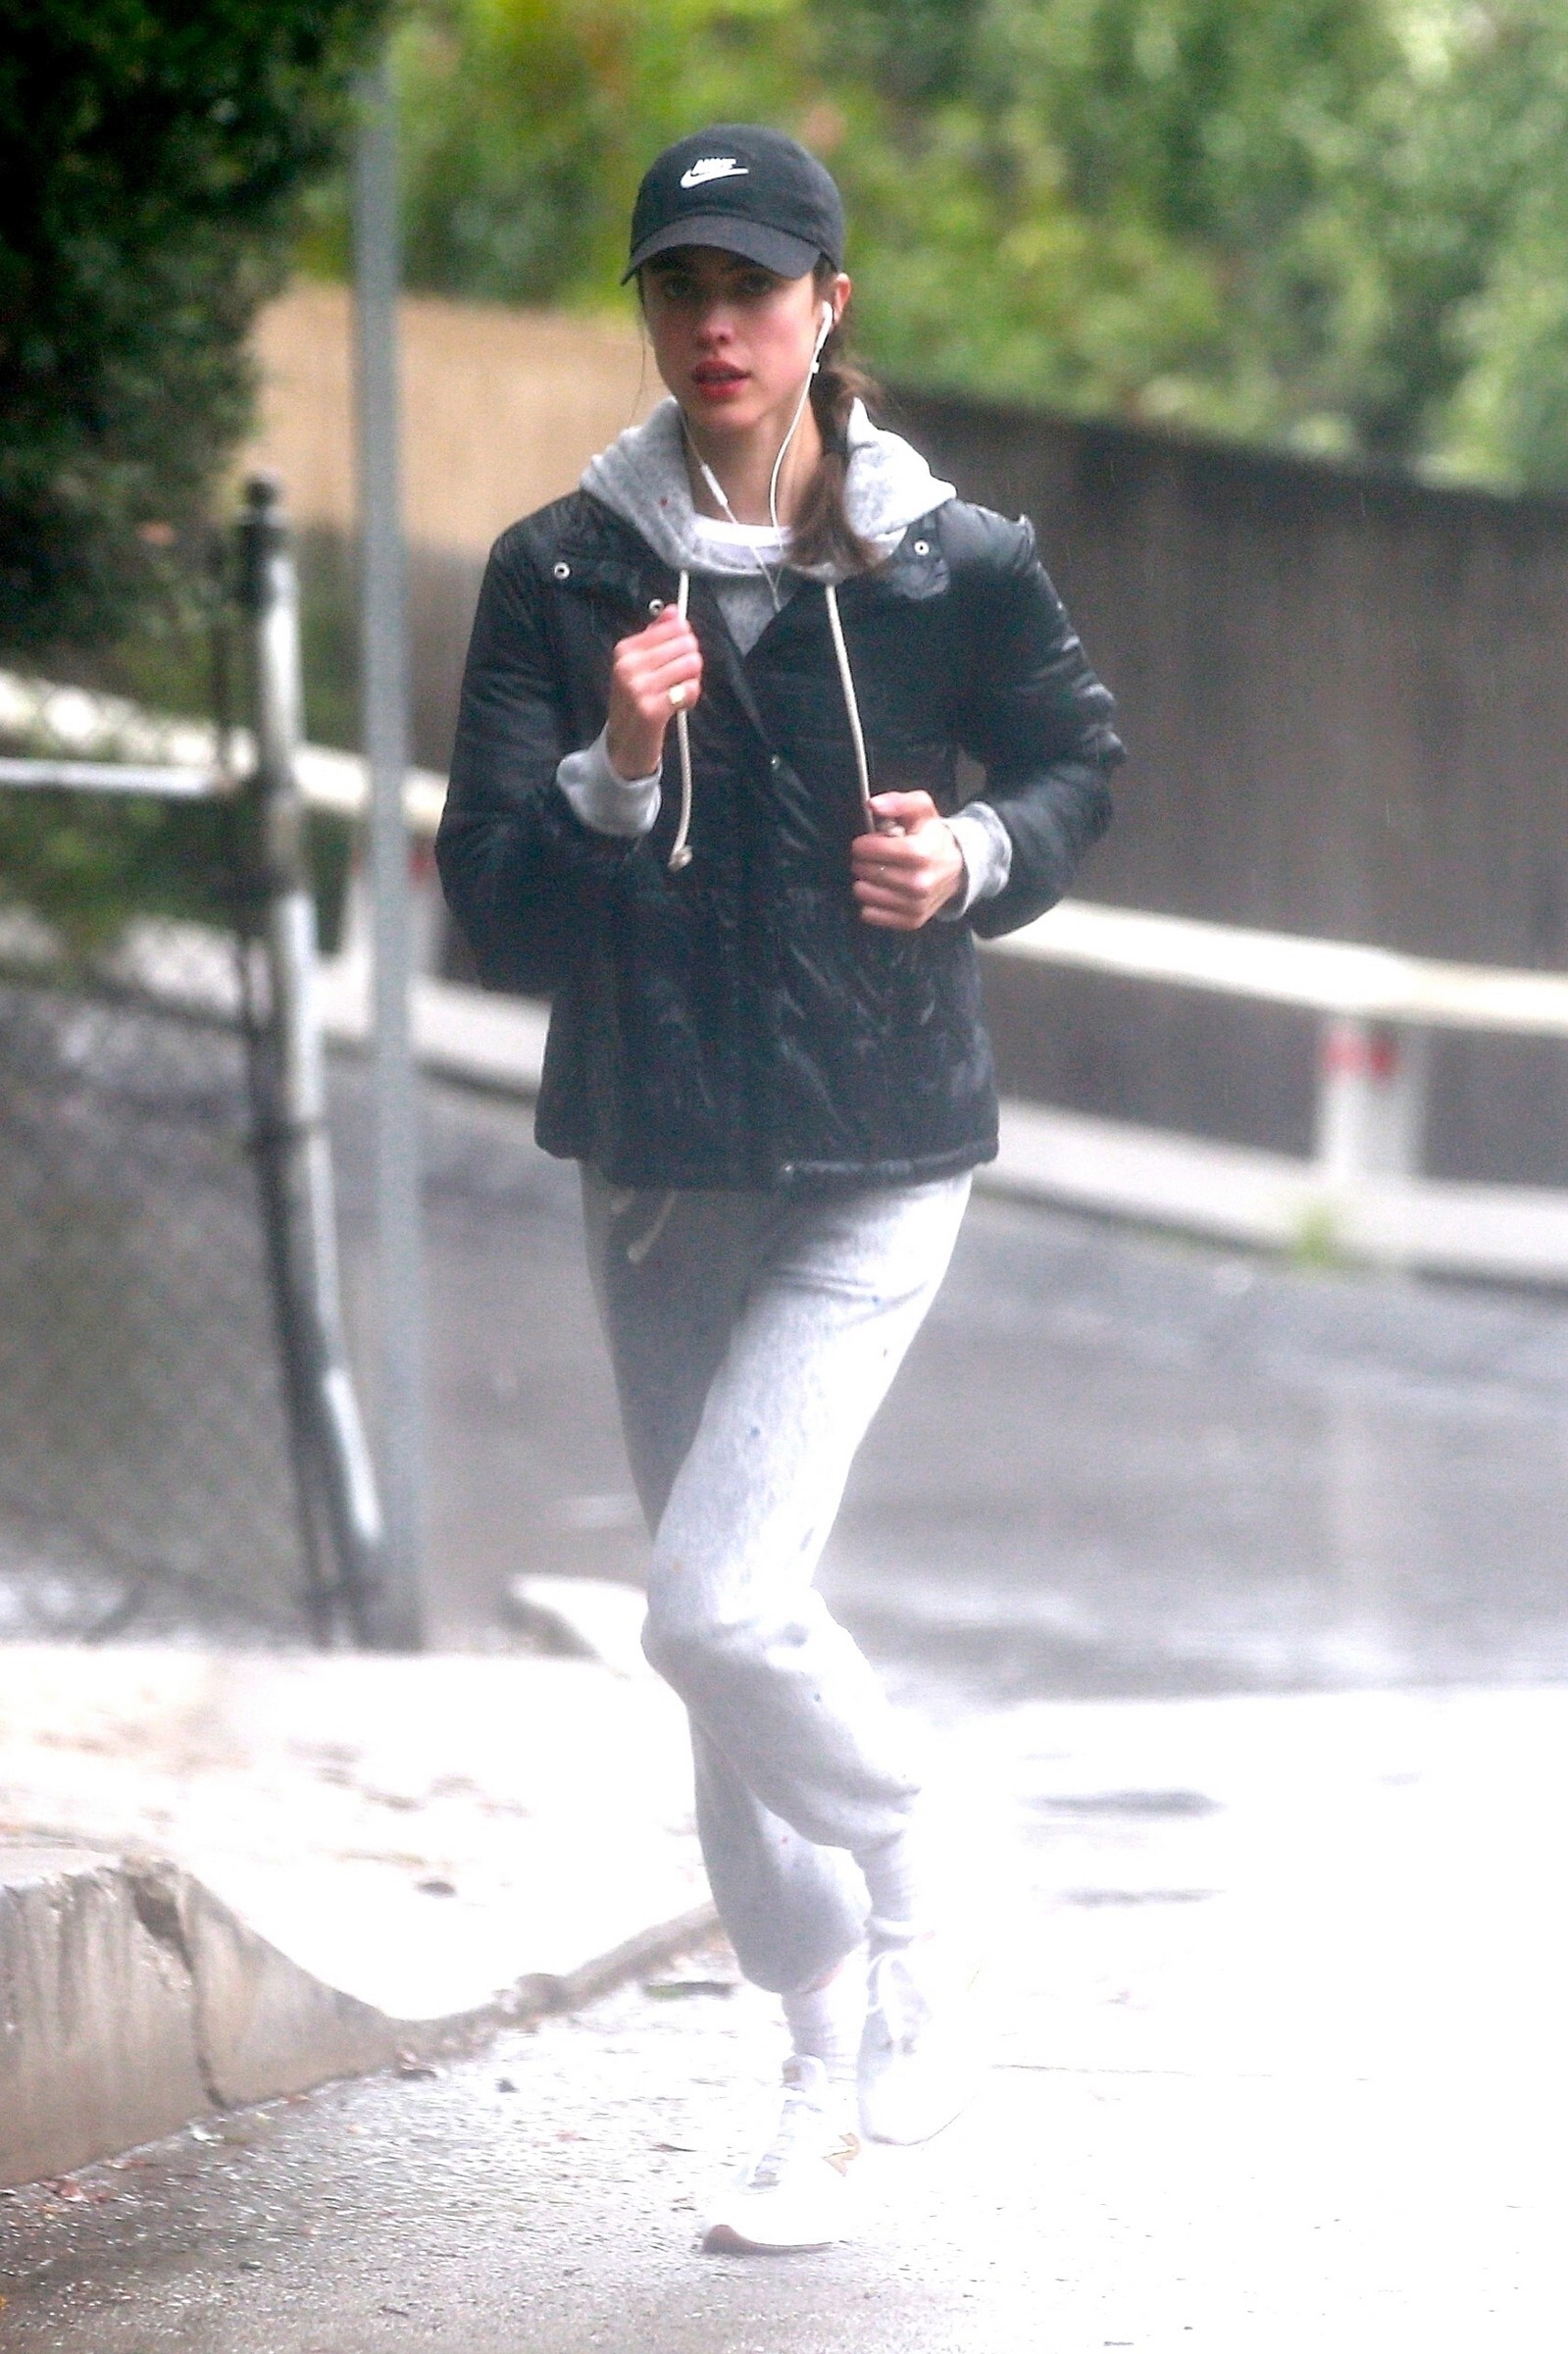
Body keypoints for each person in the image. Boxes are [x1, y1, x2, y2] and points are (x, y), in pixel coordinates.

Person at [435, 123, 1124, 2253]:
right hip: (656, 1165)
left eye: (752, 285)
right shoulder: (563, 575)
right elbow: (492, 907)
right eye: (679, 286)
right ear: (650, 314)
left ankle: (927, 1879)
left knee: (717, 1605)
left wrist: (975, 856)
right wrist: (611, 768)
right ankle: (816, 2087)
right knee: (719, 1674)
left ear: (831, 308)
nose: (714, 322)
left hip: (876, 1153)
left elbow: (1075, 762)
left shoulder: (950, 564)